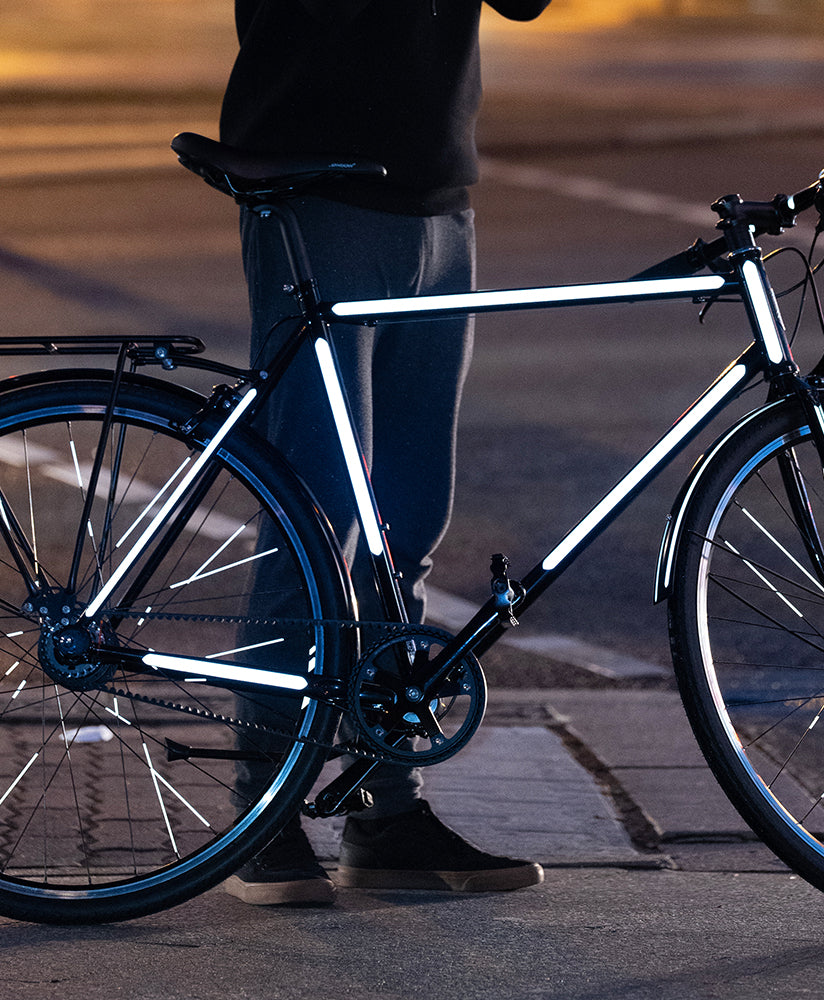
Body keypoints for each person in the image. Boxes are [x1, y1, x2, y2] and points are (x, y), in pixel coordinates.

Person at [217, 0, 552, 905]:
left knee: (406, 522)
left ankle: (382, 807)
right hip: (315, 187)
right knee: (314, 516)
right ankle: (264, 813)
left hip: (437, 199)